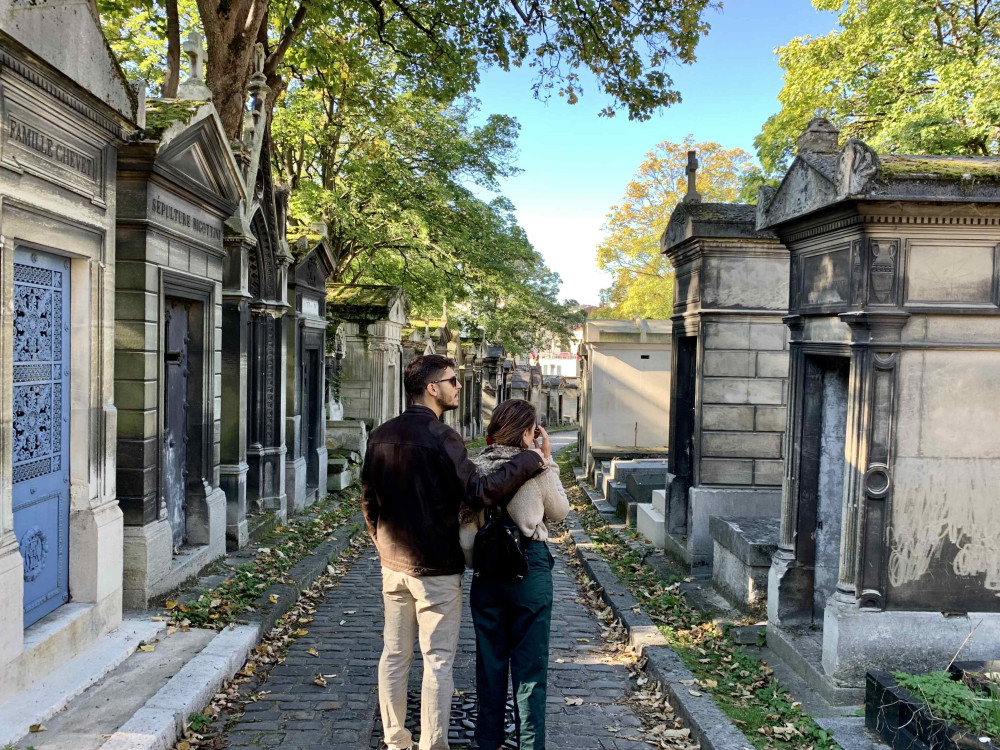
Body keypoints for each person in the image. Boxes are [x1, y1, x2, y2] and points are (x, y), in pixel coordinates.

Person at [362, 355, 547, 750]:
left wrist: (381, 545)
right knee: (438, 660)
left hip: (392, 565)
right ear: (432, 388)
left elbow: (369, 500)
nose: (458, 387)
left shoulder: (381, 434)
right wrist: (530, 460)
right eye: (452, 380)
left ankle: (396, 741)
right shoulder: (442, 437)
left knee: (394, 656)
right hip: (436, 569)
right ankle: (433, 744)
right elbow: (480, 491)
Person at [460, 399, 570, 750]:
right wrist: (547, 457)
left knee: (490, 665)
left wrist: (475, 560)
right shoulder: (537, 470)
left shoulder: (476, 468)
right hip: (530, 570)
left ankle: (487, 742)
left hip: (487, 575)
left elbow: (464, 534)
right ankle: (529, 745)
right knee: (530, 669)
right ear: (528, 432)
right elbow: (561, 511)